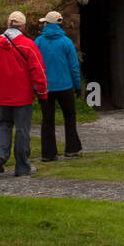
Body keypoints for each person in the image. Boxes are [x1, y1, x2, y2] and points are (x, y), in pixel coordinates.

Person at [0, 10, 48, 177]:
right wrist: (43, 93)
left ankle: (0, 154)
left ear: (7, 24)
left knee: (3, 125)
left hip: (2, 95)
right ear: (23, 27)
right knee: (22, 130)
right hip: (23, 96)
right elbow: (39, 72)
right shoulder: (28, 45)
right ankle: (22, 167)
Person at [35, 11, 83, 161]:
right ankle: (72, 149)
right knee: (69, 117)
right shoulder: (66, 42)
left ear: (46, 24)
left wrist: (35, 87)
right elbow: (74, 66)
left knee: (47, 120)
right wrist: (78, 85)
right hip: (65, 86)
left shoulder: (38, 42)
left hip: (45, 88)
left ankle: (48, 154)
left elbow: (34, 66)